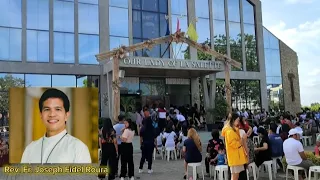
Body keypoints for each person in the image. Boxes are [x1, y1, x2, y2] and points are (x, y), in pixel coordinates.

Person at [21, 88, 91, 163]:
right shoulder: (30, 148)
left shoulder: (78, 148)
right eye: (47, 109)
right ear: (41, 115)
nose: (52, 114)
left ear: (66, 115)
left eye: (57, 109)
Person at [221, 113, 247, 180]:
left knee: (235, 175)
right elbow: (234, 144)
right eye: (237, 120)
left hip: (236, 156)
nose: (238, 122)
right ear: (233, 120)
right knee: (235, 176)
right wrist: (242, 139)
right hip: (235, 157)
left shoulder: (232, 130)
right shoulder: (229, 131)